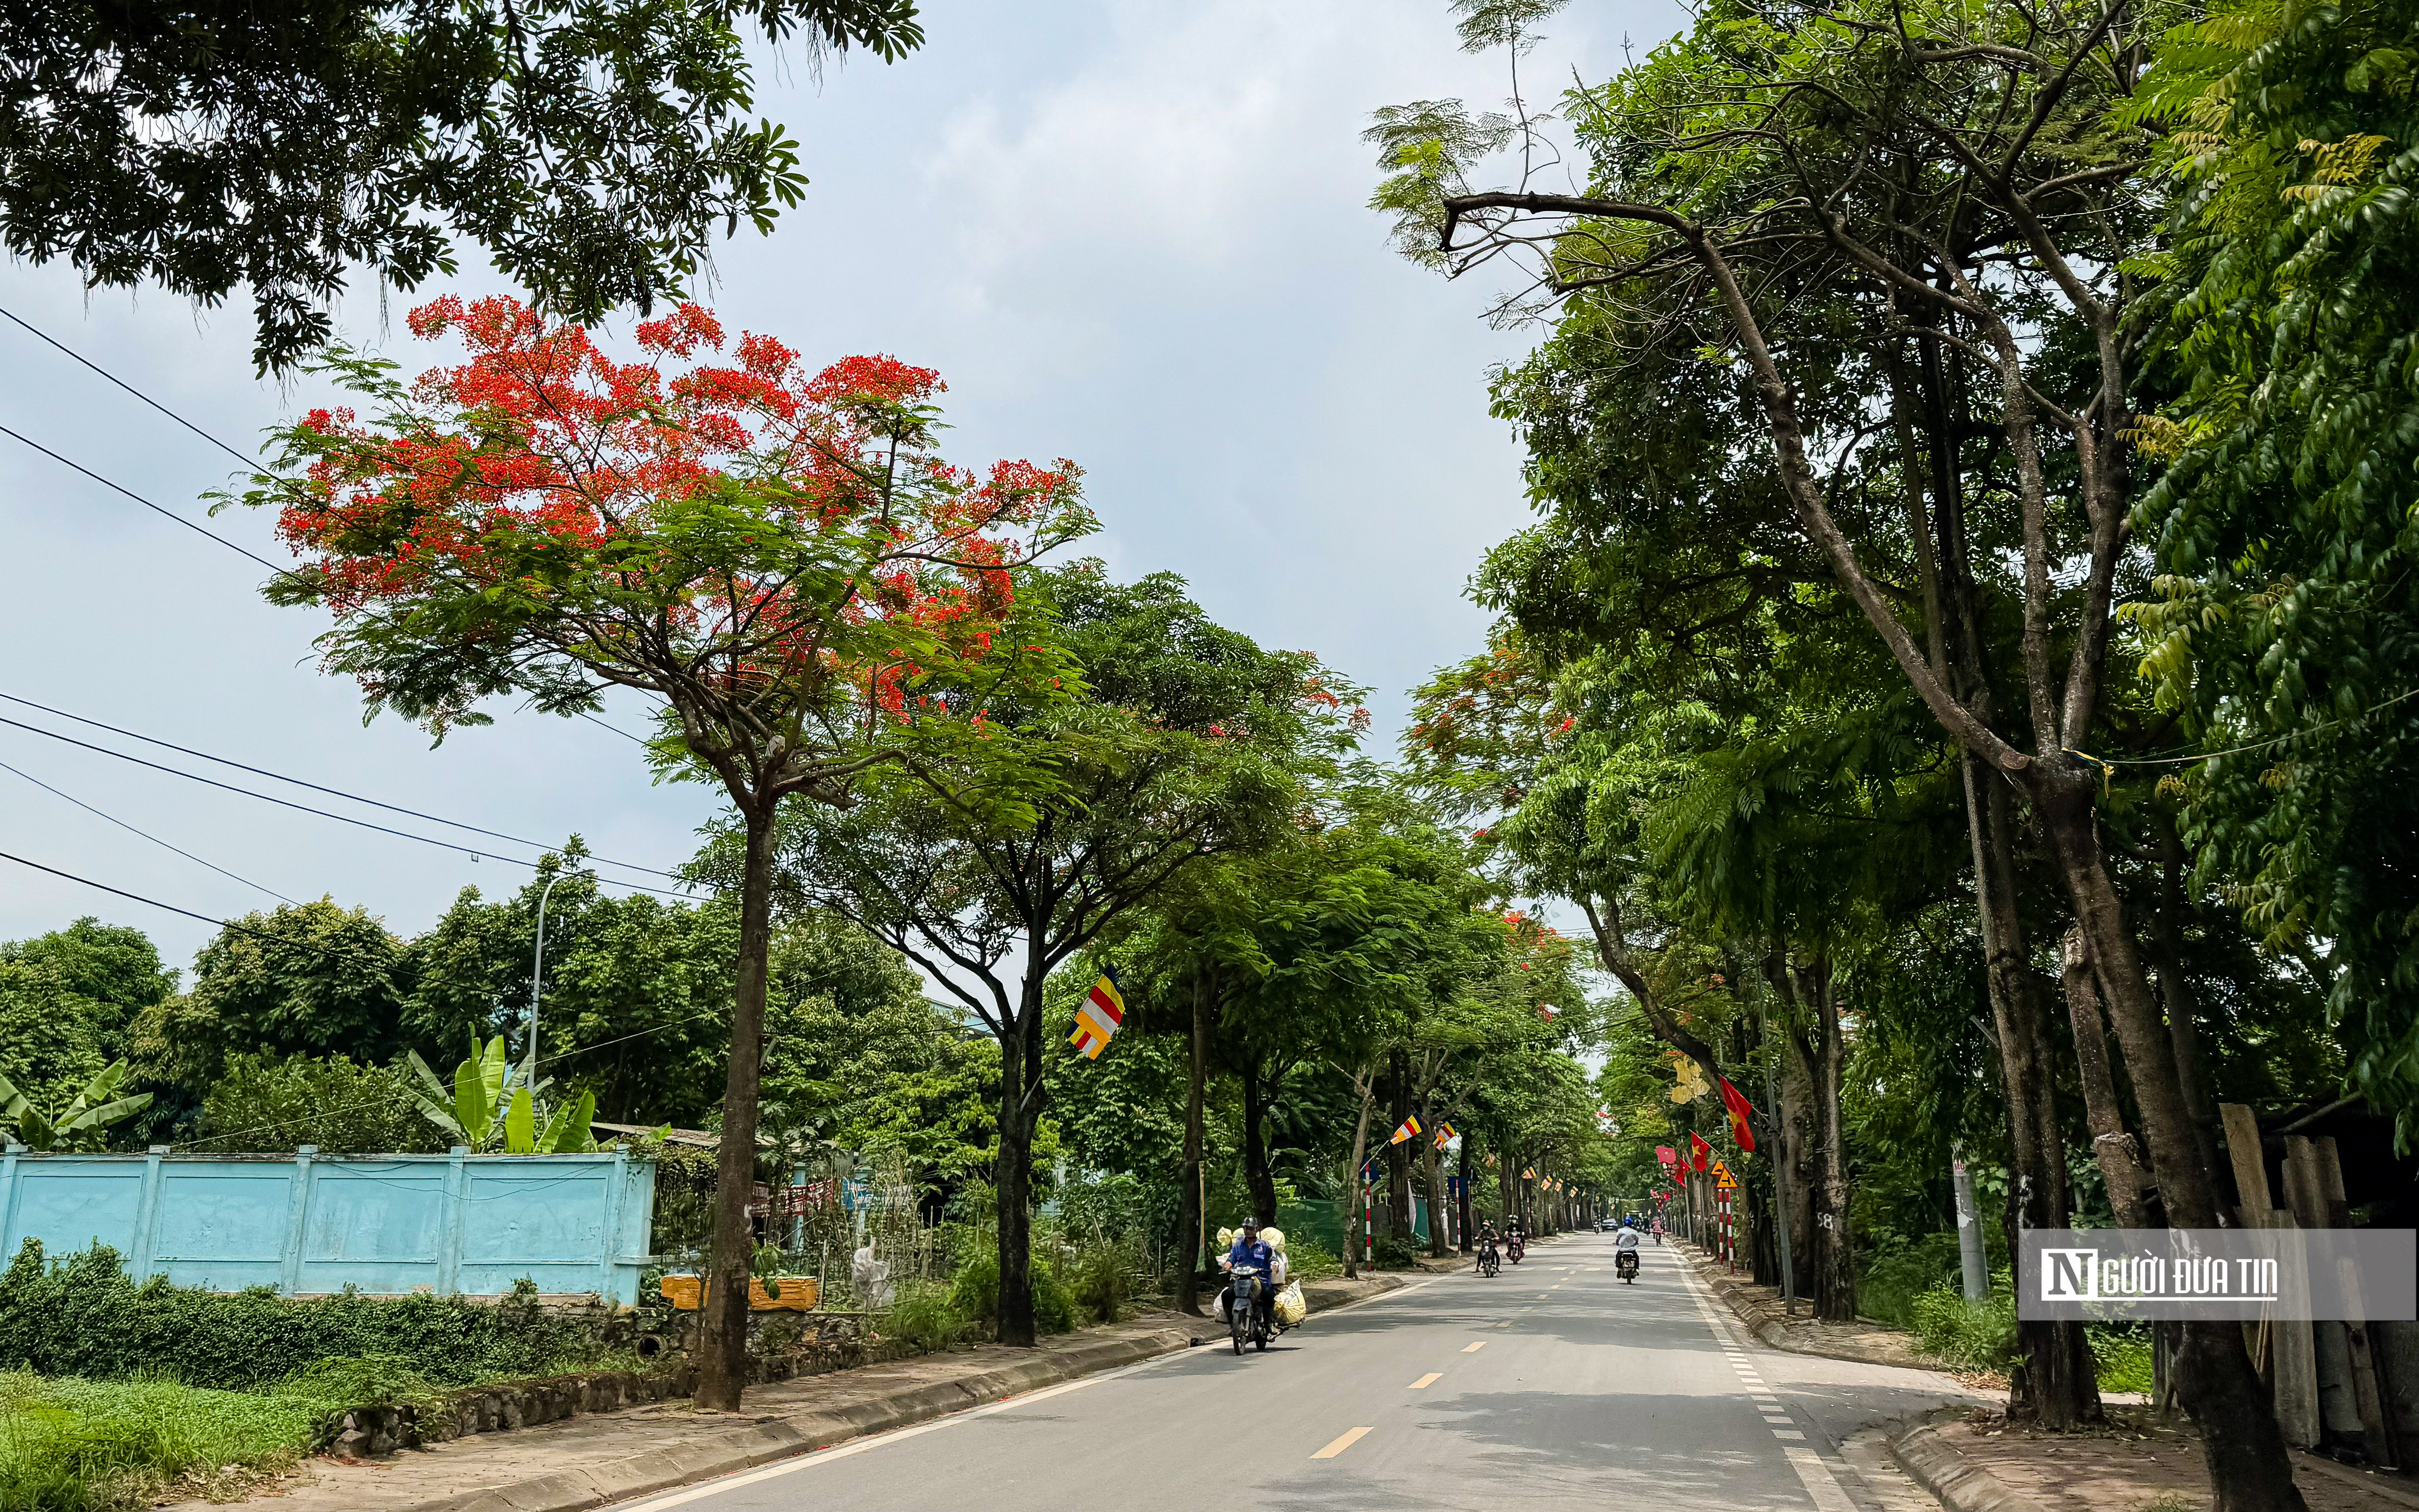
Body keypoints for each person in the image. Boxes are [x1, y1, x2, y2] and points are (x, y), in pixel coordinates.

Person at [1220, 1218, 1278, 1334]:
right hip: (1240, 1278)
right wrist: (1228, 1264)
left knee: (1269, 1295)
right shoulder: (1238, 1246)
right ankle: (1233, 1324)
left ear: (1257, 1229)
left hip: (1260, 1278)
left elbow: (1272, 1257)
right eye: (1246, 1228)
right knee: (1226, 1295)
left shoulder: (1264, 1246)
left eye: (1251, 1228)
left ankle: (1269, 1324)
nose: (1248, 1231)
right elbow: (1232, 1258)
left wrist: (1273, 1263)